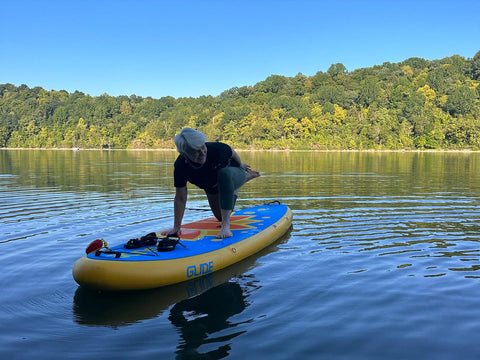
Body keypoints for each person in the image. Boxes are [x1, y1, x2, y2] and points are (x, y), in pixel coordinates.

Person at [162, 128, 260, 239]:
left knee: (224, 174)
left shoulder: (217, 149)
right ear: (185, 155)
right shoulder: (181, 166)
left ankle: (226, 225)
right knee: (220, 217)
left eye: (203, 147)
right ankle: (234, 190)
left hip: (232, 174)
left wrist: (240, 166)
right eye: (195, 152)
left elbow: (233, 153)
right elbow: (180, 198)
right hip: (212, 186)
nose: (202, 153)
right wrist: (176, 227)